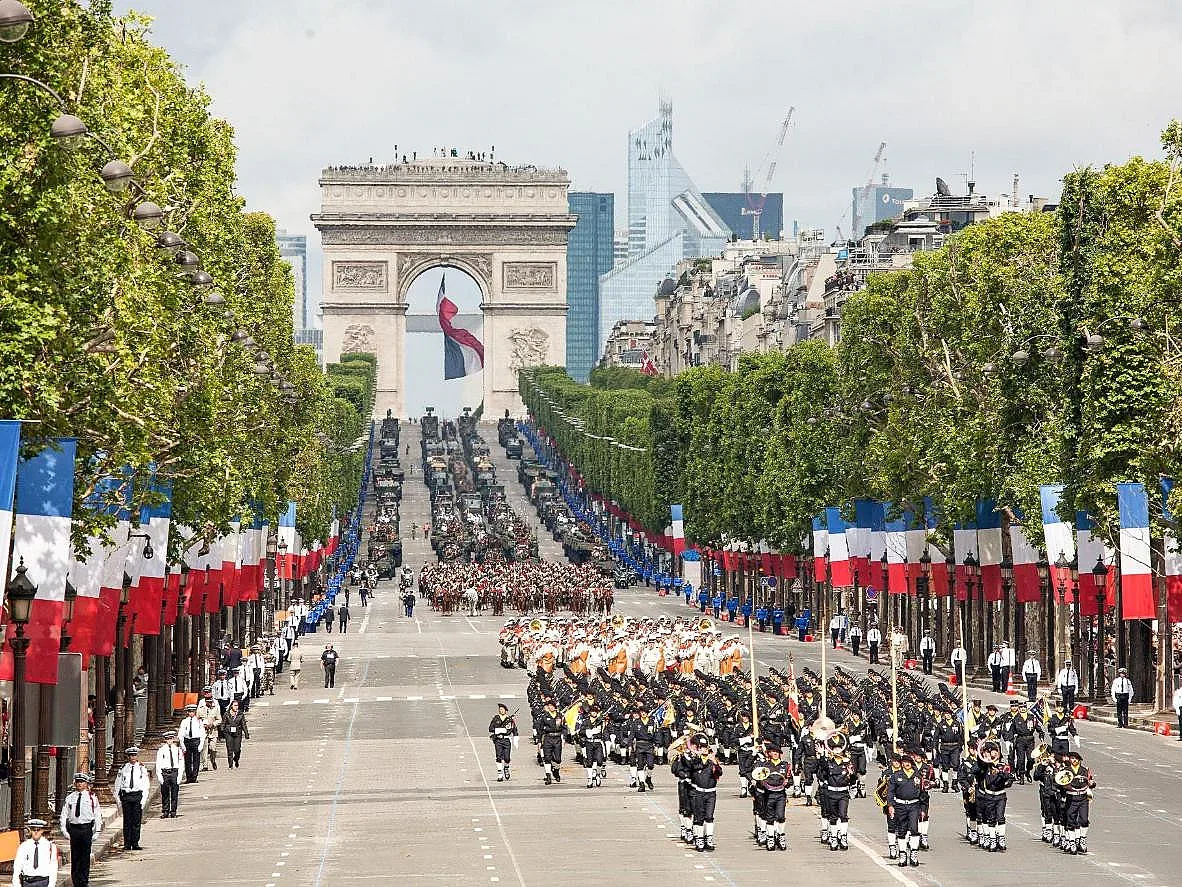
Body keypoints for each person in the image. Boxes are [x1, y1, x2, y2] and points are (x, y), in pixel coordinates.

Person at [59, 773, 101, 887]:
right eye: (77, 782)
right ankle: (76, 881)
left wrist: (97, 830)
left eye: (82, 782)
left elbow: (97, 815)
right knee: (75, 856)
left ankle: (84, 880)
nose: (79, 784)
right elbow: (64, 814)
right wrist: (63, 829)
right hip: (74, 828)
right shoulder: (70, 797)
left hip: (86, 828)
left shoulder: (92, 797)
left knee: (85, 856)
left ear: (86, 784)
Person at [114, 746, 149, 851]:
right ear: (128, 757)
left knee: (136, 821)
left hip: (137, 795)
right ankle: (127, 843)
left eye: (134, 755)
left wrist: (143, 800)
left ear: (136, 756)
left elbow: (145, 785)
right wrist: (118, 800)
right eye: (130, 755)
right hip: (127, 796)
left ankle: (135, 842)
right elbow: (118, 784)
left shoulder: (142, 768)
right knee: (127, 821)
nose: (133, 757)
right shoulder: (123, 768)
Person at [12, 818, 57, 887]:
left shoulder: (50, 846)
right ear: (30, 830)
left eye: (38, 830)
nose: (36, 832)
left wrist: (51, 884)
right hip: (28, 882)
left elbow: (53, 867)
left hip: (43, 882)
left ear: (42, 830)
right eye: (33, 830)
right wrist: (16, 883)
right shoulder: (24, 846)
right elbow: (17, 865)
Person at [488, 703, 518, 783]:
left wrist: (516, 739)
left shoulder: (510, 720)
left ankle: (506, 767)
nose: (501, 710)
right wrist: (498, 730)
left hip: (506, 740)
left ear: (506, 711)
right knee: (498, 757)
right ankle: (500, 774)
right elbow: (490, 728)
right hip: (498, 740)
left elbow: (514, 729)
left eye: (502, 709)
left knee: (507, 758)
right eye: (500, 709)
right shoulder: (496, 718)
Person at [155, 731, 182, 817]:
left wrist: (180, 775)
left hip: (174, 772)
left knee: (174, 793)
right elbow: (158, 763)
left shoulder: (177, 749)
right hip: (165, 772)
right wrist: (159, 775)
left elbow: (181, 762)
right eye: (167, 739)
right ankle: (165, 811)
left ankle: (173, 811)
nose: (169, 741)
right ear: (165, 740)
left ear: (173, 739)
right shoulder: (162, 750)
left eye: (171, 739)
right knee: (165, 793)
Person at [178, 703, 206, 784]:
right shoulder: (184, 721)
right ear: (188, 712)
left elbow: (202, 733)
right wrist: (182, 744)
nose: (191, 713)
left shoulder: (199, 721)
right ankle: (189, 777)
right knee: (188, 760)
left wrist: (201, 744)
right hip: (187, 741)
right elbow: (181, 733)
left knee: (196, 760)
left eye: (193, 712)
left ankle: (194, 777)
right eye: (190, 712)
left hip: (196, 741)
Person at [195, 689, 222, 771]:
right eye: (207, 701)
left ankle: (213, 760)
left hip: (213, 731)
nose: (209, 702)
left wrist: (213, 724)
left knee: (213, 748)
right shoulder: (200, 709)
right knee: (204, 748)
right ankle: (205, 765)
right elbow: (197, 719)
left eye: (210, 701)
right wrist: (202, 725)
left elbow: (219, 720)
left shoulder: (215, 709)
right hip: (203, 732)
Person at [222, 700, 250, 768]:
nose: (236, 707)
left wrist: (246, 733)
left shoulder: (240, 714)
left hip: (237, 733)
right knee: (229, 749)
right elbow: (223, 724)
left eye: (237, 705)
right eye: (235, 705)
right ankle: (230, 765)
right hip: (229, 733)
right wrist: (223, 732)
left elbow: (243, 724)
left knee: (237, 749)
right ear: (231, 706)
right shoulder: (227, 714)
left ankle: (236, 759)